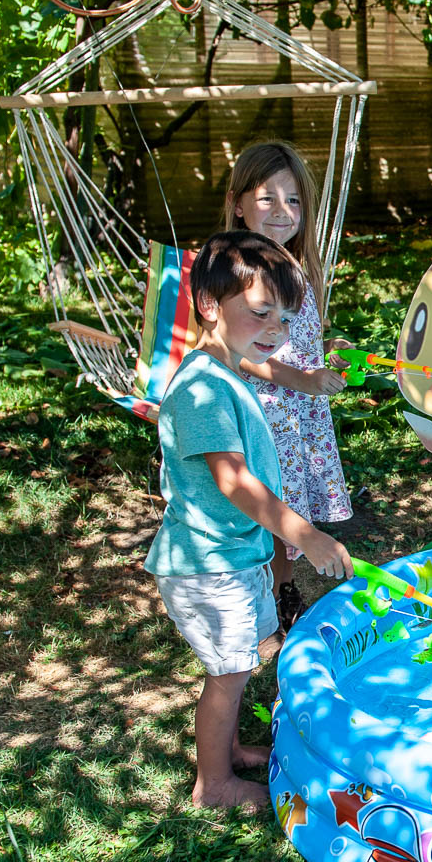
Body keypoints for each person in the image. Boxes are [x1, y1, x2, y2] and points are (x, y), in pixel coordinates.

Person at [145, 230, 354, 810]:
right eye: (262, 312)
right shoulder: (204, 389)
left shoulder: (229, 365)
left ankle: (229, 749)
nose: (276, 331)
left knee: (235, 661)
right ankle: (214, 785)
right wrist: (304, 534)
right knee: (229, 673)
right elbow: (234, 481)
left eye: (286, 319)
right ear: (210, 306)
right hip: (207, 568)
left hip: (233, 557)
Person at [225, 141, 353, 631]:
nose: (283, 211)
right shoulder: (235, 266)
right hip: (267, 408)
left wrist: (327, 349)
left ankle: (283, 589)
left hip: (299, 409)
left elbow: (299, 333)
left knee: (293, 498)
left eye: (294, 200)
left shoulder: (293, 264)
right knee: (276, 503)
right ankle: (276, 592)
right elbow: (237, 350)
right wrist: (300, 376)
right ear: (239, 204)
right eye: (267, 199)